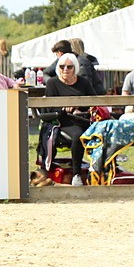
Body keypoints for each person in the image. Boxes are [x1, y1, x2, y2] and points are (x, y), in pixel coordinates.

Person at [43, 53, 97, 186]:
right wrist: (63, 108)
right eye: (62, 66)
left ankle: (101, 171)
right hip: (64, 121)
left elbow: (95, 101)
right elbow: (49, 109)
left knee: (103, 131)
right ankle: (76, 174)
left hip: (84, 119)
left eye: (69, 67)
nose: (65, 69)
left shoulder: (83, 82)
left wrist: (78, 106)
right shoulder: (52, 83)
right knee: (78, 135)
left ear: (75, 68)